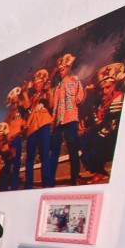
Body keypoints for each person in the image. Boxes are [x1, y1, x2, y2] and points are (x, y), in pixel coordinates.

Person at [80, 62, 125, 184]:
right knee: (84, 140)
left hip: (117, 137)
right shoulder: (98, 103)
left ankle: (101, 172)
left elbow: (107, 123)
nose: (104, 92)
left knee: (95, 140)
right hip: (104, 135)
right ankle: (100, 171)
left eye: (108, 87)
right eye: (101, 89)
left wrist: (91, 129)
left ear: (114, 85)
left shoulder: (120, 98)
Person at [48, 53, 85, 187]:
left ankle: (75, 177)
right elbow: (52, 105)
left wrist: (76, 99)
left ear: (68, 68)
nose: (62, 70)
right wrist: (49, 92)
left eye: (64, 68)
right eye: (60, 69)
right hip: (57, 121)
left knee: (72, 148)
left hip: (70, 118)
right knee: (55, 150)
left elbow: (80, 97)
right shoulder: (55, 87)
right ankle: (50, 180)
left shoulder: (74, 80)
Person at [22, 68, 53, 189]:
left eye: (39, 82)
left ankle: (48, 183)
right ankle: (28, 185)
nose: (37, 85)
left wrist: (49, 91)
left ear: (43, 83)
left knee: (45, 154)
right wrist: (25, 93)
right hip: (32, 128)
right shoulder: (33, 97)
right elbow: (27, 108)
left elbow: (51, 104)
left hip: (44, 123)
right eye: (35, 83)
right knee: (30, 157)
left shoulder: (46, 92)